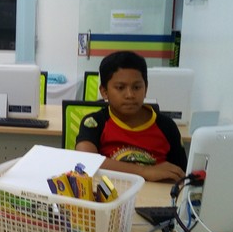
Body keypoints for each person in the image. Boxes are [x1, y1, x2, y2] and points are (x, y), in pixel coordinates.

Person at [75, 51, 187, 182]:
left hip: (155, 194)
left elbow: (181, 174)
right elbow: (85, 161)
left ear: (146, 88)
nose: (130, 95)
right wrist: (144, 171)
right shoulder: (95, 122)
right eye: (120, 88)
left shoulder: (166, 126)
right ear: (104, 92)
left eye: (137, 87)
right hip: (111, 193)